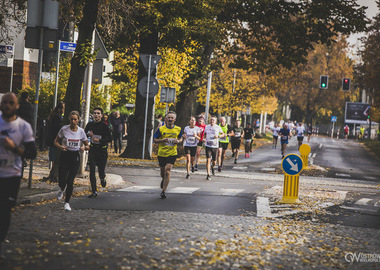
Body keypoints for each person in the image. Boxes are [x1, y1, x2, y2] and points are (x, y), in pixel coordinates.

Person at [0, 93, 36, 260]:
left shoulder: (23, 127)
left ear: (17, 106)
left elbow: (32, 153)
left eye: (11, 103)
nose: (7, 105)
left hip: (12, 175)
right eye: (4, 102)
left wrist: (14, 148)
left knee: (5, 211)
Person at [54, 111, 89, 211]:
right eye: (71, 119)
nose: (73, 121)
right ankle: (61, 188)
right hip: (65, 154)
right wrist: (60, 146)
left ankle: (67, 203)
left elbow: (87, 145)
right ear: (69, 119)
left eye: (75, 119)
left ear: (78, 120)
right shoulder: (64, 129)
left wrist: (84, 147)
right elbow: (55, 141)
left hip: (75, 156)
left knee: (70, 181)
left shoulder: (81, 131)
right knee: (62, 179)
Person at [153, 111, 183, 199]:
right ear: (166, 119)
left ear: (174, 119)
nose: (170, 119)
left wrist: (178, 141)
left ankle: (163, 191)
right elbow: (155, 139)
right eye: (168, 118)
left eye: (171, 118)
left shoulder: (178, 129)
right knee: (163, 172)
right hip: (162, 153)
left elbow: (180, 138)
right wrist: (163, 140)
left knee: (167, 170)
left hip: (172, 153)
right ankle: (163, 179)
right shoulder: (161, 129)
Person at [85, 108, 112, 198]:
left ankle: (102, 177)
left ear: (101, 115)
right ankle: (94, 191)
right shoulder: (90, 124)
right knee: (91, 170)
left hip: (102, 150)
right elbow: (83, 134)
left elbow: (110, 139)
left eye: (98, 113)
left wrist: (99, 140)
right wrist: (87, 138)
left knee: (101, 170)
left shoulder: (104, 125)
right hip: (93, 149)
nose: (96, 115)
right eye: (95, 113)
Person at [44, 102, 65, 182]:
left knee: (53, 157)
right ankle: (55, 175)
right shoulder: (57, 118)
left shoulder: (52, 116)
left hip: (51, 140)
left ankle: (54, 174)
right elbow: (57, 129)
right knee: (55, 157)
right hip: (55, 140)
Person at [203, 116, 224, 180]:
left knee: (214, 162)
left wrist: (218, 136)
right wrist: (204, 139)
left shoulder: (218, 127)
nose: (212, 121)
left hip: (215, 146)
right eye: (211, 120)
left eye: (213, 120)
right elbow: (204, 134)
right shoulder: (207, 127)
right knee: (208, 160)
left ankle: (212, 167)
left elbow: (223, 134)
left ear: (215, 121)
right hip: (208, 146)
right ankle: (208, 174)